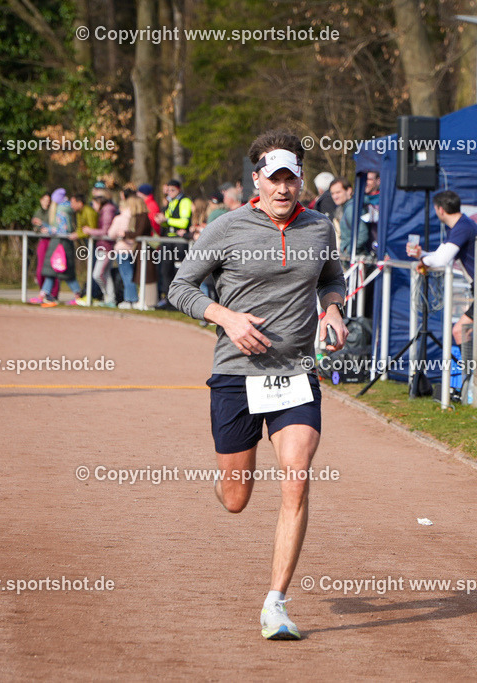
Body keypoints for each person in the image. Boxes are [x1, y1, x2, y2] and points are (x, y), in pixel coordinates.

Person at [168, 130, 347, 640]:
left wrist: (333, 309)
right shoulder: (226, 228)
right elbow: (180, 287)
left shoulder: (321, 228)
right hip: (235, 375)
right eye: (275, 179)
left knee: (297, 473)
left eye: (292, 178)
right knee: (236, 498)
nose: (284, 188)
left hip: (294, 372)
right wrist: (226, 317)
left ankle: (276, 603)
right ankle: (227, 480)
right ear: (257, 181)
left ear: (301, 180)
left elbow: (331, 279)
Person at [406, 190, 477, 345]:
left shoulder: (462, 227)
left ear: (440, 209)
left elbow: (440, 260)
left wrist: (424, 261)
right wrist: (422, 255)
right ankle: (469, 369)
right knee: (462, 331)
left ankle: (469, 370)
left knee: (460, 331)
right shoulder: (460, 226)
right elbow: (440, 255)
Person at [34, 188, 84, 307]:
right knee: (52, 272)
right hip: (59, 243)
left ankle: (79, 295)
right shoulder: (65, 208)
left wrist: (48, 229)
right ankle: (43, 295)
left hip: (61, 244)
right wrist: (43, 224)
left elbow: (63, 229)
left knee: (65, 273)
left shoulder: (61, 210)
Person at [109, 192, 151, 309]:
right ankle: (131, 298)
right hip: (132, 249)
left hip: (124, 250)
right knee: (131, 275)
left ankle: (131, 299)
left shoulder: (124, 218)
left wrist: (123, 234)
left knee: (127, 275)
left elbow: (111, 233)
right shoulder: (133, 218)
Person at [157, 179, 193, 309]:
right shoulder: (171, 202)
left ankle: (179, 301)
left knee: (178, 272)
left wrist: (167, 220)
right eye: (169, 190)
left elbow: (183, 223)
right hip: (168, 240)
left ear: (178, 190)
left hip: (179, 242)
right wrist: (162, 221)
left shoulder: (185, 201)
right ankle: (167, 299)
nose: (170, 193)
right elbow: (171, 221)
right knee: (165, 271)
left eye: (173, 190)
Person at [87, 188, 117, 307]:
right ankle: (110, 299)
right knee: (105, 274)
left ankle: (109, 297)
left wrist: (90, 231)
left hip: (106, 247)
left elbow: (105, 230)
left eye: (94, 203)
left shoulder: (107, 210)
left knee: (97, 274)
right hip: (104, 246)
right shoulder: (105, 210)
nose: (93, 206)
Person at [30, 190, 59, 301]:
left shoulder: (53, 212)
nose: (47, 203)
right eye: (45, 200)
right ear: (41, 200)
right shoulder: (38, 212)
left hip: (53, 241)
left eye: (49, 201)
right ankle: (43, 292)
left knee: (53, 269)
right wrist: (38, 228)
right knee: (40, 270)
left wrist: (43, 225)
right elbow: (35, 227)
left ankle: (53, 294)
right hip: (43, 241)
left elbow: (54, 226)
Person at [330, 177, 356, 261]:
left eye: (338, 192)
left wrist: (346, 251)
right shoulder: (342, 209)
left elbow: (362, 235)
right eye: (332, 193)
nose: (335, 196)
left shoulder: (351, 209)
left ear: (349, 190)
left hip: (355, 260)